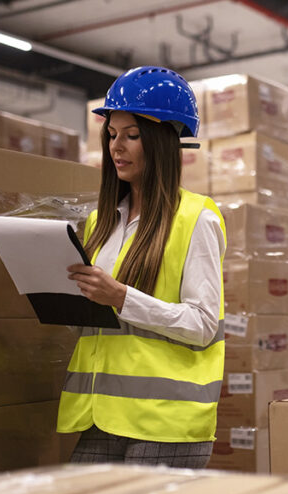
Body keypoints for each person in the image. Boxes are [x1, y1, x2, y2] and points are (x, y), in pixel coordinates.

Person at [58, 66, 226, 467]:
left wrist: (120, 297)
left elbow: (203, 324)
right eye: (112, 135)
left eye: (132, 135)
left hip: (166, 423)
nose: (118, 147)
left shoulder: (196, 218)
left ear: (163, 142)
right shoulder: (101, 221)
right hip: (100, 415)